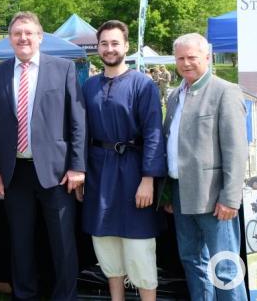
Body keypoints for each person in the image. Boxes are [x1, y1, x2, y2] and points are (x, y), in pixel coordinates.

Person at [0, 11, 87, 301]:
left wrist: (77, 166)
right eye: (17, 34)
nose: (23, 38)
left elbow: (78, 121)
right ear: (10, 39)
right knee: (20, 244)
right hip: (14, 173)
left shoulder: (63, 68)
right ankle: (24, 295)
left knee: (63, 242)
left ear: (40, 37)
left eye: (29, 33)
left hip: (57, 173)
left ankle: (65, 297)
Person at [81, 20, 165, 301]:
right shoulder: (89, 87)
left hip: (133, 173)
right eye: (104, 43)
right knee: (106, 247)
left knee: (139, 249)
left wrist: (148, 179)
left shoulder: (143, 84)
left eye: (115, 43)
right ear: (98, 48)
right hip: (99, 173)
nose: (109, 48)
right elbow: (80, 133)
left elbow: (153, 133)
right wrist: (81, 173)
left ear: (126, 46)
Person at [162, 33, 247, 300]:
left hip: (215, 198)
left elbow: (236, 149)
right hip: (180, 194)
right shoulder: (174, 96)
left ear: (207, 58)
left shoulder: (225, 91)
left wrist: (230, 198)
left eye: (192, 57)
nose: (186, 63)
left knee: (225, 268)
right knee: (193, 262)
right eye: (180, 58)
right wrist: (169, 193)